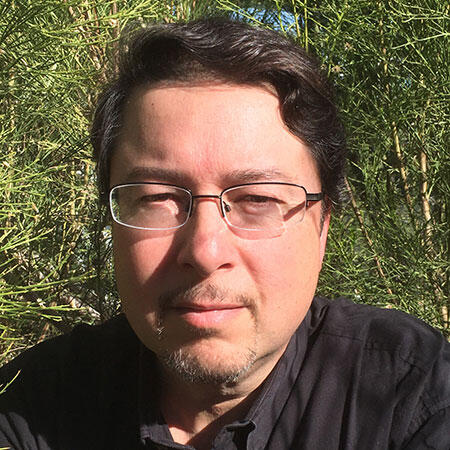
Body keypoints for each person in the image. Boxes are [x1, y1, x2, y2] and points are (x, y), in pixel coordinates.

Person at [0, 18, 448, 450]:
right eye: (157, 198)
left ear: (322, 227)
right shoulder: (32, 407)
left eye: (259, 199)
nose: (205, 250)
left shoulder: (414, 398)